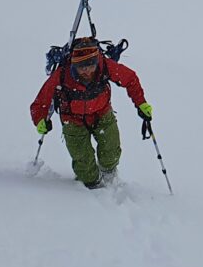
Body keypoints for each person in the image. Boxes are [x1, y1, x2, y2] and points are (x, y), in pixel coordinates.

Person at [30, 36, 154, 188]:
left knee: (111, 152)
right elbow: (41, 101)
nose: (86, 70)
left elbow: (130, 79)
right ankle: (91, 189)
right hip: (72, 120)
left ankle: (109, 176)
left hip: (102, 114)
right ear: (74, 64)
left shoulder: (105, 66)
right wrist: (40, 120)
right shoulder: (62, 74)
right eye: (81, 66)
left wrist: (141, 103)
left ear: (96, 61)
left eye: (90, 65)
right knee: (84, 167)